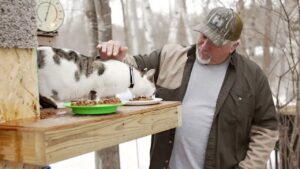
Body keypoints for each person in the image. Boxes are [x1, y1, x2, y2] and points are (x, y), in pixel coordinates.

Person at [97, 7, 279, 169]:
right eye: (204, 36)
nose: (205, 46)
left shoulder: (252, 76)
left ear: (234, 46)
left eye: (215, 42)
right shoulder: (171, 57)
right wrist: (116, 59)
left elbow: (267, 129)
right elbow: (133, 67)